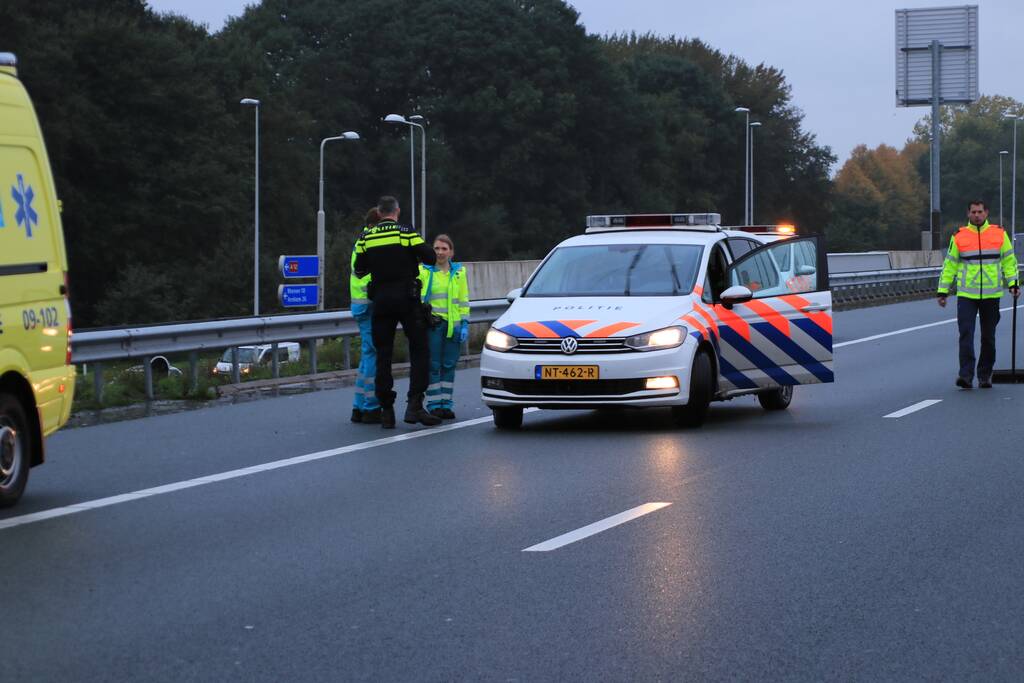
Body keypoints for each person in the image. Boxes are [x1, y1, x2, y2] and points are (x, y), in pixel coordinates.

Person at [352, 196, 441, 428]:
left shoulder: (366, 237)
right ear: (397, 212)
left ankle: (386, 410)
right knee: (419, 349)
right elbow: (430, 256)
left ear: (379, 213)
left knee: (383, 353)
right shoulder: (405, 232)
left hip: (381, 300)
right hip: (407, 298)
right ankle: (414, 405)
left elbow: (359, 269)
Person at [937, 199, 1020, 388]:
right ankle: (966, 375)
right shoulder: (959, 236)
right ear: (968, 214)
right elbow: (949, 265)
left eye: (980, 212)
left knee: (988, 337)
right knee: (966, 334)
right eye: (973, 212)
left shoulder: (999, 234)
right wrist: (942, 291)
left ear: (986, 213)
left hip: (991, 295)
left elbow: (1009, 261)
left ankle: (984, 374)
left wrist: (1013, 283)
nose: (976, 215)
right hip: (967, 295)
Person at [420, 234, 470, 419]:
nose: (440, 252)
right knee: (433, 365)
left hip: (453, 326)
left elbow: (463, 301)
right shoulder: (424, 271)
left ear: (451, 252)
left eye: (444, 249)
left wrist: (464, 323)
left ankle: (446, 403)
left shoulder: (458, 273)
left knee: (449, 365)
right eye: (437, 248)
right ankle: (434, 404)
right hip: (433, 325)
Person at [349, 207, 381, 424]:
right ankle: (371, 406)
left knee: (366, 355)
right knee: (373, 355)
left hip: (360, 305)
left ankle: (358, 406)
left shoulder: (361, 240)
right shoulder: (372, 242)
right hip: (369, 305)